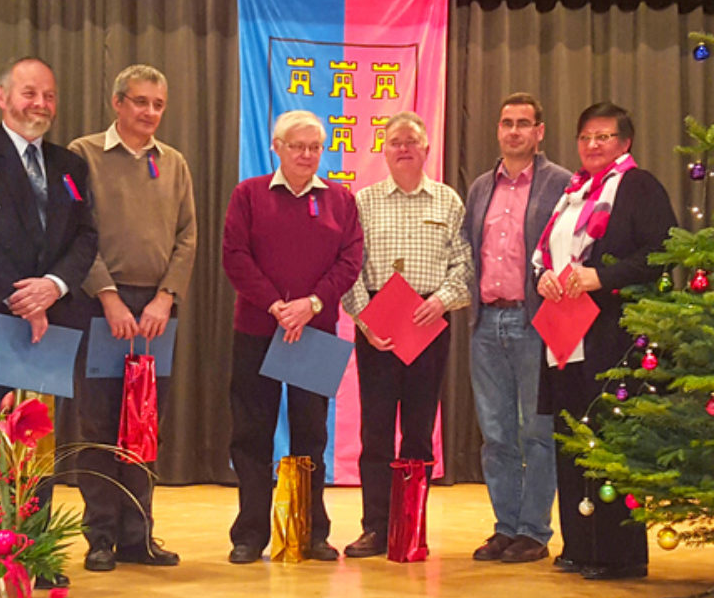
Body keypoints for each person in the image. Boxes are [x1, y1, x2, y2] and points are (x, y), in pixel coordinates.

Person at [0, 56, 98, 588]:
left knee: (40, 442)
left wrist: (52, 288)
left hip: (53, 320)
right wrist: (21, 296)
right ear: (1, 96)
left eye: (49, 96)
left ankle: (35, 552)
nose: (41, 105)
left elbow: (86, 237)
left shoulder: (71, 165)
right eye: (30, 93)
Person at [534, 102, 677, 580]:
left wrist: (601, 276)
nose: (592, 145)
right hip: (564, 334)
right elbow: (549, 254)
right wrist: (544, 280)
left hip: (612, 336)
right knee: (571, 440)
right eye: (585, 137)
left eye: (603, 137)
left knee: (608, 442)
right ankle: (579, 544)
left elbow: (660, 254)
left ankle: (619, 553)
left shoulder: (638, 186)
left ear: (625, 142)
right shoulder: (572, 192)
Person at [63, 64, 197, 572]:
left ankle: (139, 536)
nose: (149, 113)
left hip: (157, 312)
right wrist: (108, 297)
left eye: (158, 104)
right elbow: (77, 233)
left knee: (143, 426)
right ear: (117, 103)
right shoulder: (83, 155)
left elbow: (188, 236)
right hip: (100, 307)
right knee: (98, 424)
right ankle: (100, 535)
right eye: (140, 102)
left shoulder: (175, 163)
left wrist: (165, 297)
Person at [222, 110, 363, 564]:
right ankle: (249, 535)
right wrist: (275, 305)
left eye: (314, 147)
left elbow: (350, 259)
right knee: (251, 434)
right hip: (258, 330)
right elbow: (235, 256)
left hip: (315, 331)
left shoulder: (341, 200)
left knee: (311, 436)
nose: (307, 155)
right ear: (277, 147)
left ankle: (311, 532)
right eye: (297, 146)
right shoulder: (248, 194)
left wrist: (312, 304)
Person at [341, 111, 472, 558]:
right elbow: (349, 268)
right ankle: (375, 527)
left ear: (426, 149)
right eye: (394, 141)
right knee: (375, 431)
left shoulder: (449, 201)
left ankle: (410, 527)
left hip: (428, 321)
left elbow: (464, 266)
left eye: (411, 141)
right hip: (378, 323)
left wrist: (443, 300)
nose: (403, 148)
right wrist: (366, 320)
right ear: (384, 150)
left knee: (419, 431)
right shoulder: (364, 201)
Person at [465, 93, 571, 563]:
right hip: (487, 320)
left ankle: (534, 530)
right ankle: (505, 526)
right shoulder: (480, 187)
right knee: (496, 434)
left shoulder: (562, 184)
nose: (513, 131)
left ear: (539, 131)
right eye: (506, 122)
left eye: (523, 123)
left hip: (535, 324)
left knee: (538, 432)